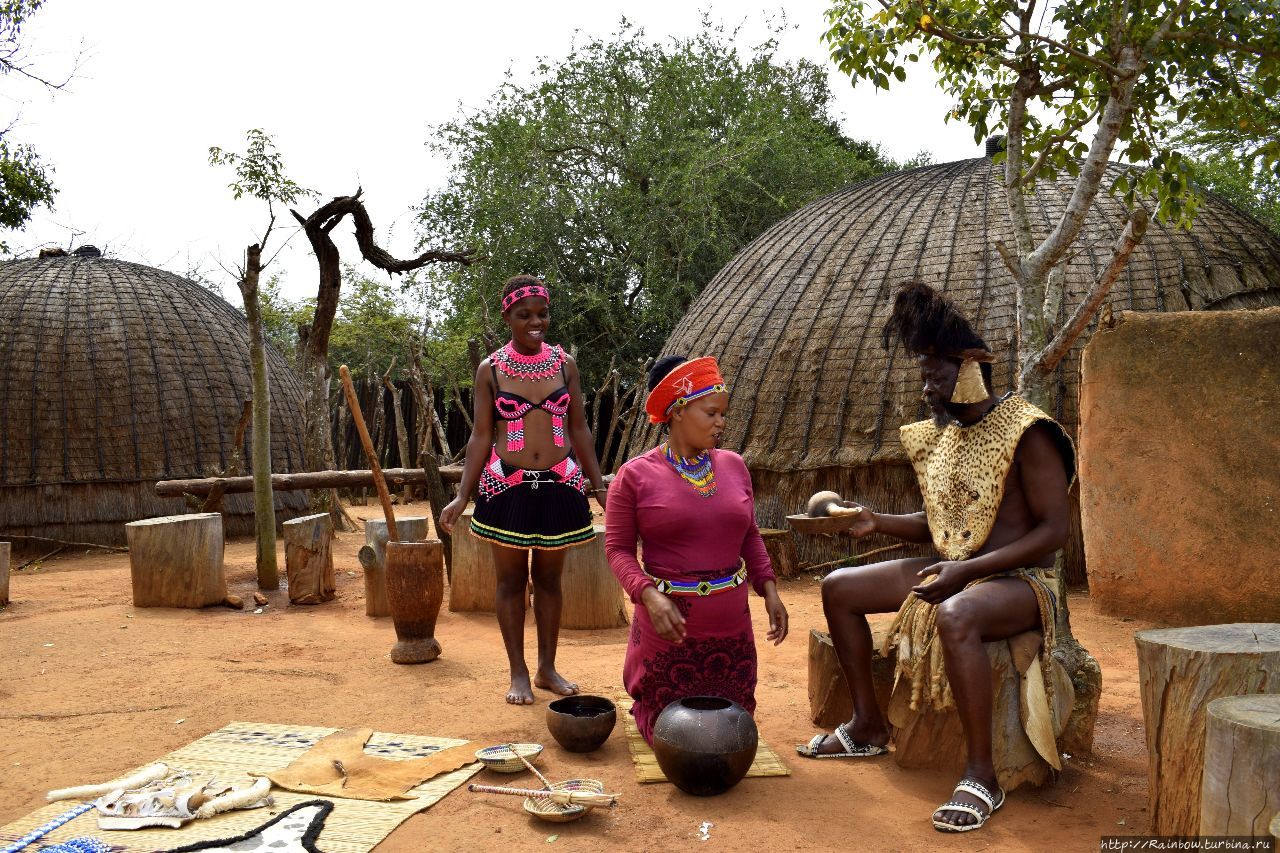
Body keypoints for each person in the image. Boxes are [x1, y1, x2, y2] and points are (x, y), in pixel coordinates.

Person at [796, 281, 1075, 834]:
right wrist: (876, 521)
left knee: (957, 614)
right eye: (923, 376)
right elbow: (944, 526)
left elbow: (1054, 533)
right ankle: (868, 726)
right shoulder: (943, 438)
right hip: (956, 568)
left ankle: (981, 775)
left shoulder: (1029, 433)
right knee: (839, 588)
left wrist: (968, 572)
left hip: (1021, 582)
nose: (927, 389)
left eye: (935, 376)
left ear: (968, 370)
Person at [439, 274, 609, 705]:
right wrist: (463, 494)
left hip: (561, 485)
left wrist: (597, 483)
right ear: (508, 317)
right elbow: (480, 436)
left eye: (542, 314)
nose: (536, 322)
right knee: (511, 581)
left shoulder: (565, 365)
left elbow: (580, 427)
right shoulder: (491, 370)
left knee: (550, 580)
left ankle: (546, 669)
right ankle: (517, 672)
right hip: (505, 488)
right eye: (525, 315)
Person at [605, 355, 789, 743]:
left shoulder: (734, 466)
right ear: (676, 412)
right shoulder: (635, 476)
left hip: (731, 632)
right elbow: (618, 549)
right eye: (711, 413)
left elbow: (749, 534)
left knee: (732, 735)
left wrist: (769, 589)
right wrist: (649, 597)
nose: (721, 423)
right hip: (668, 635)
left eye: (723, 414)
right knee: (678, 738)